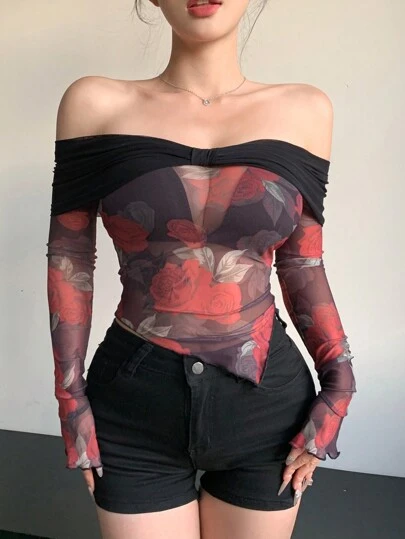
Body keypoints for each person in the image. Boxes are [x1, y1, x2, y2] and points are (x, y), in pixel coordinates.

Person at [45, 1, 357, 537]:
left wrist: (340, 381)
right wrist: (69, 399)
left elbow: (303, 261)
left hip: (269, 409)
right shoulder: (93, 103)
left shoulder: (306, 111)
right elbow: (70, 256)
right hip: (133, 406)